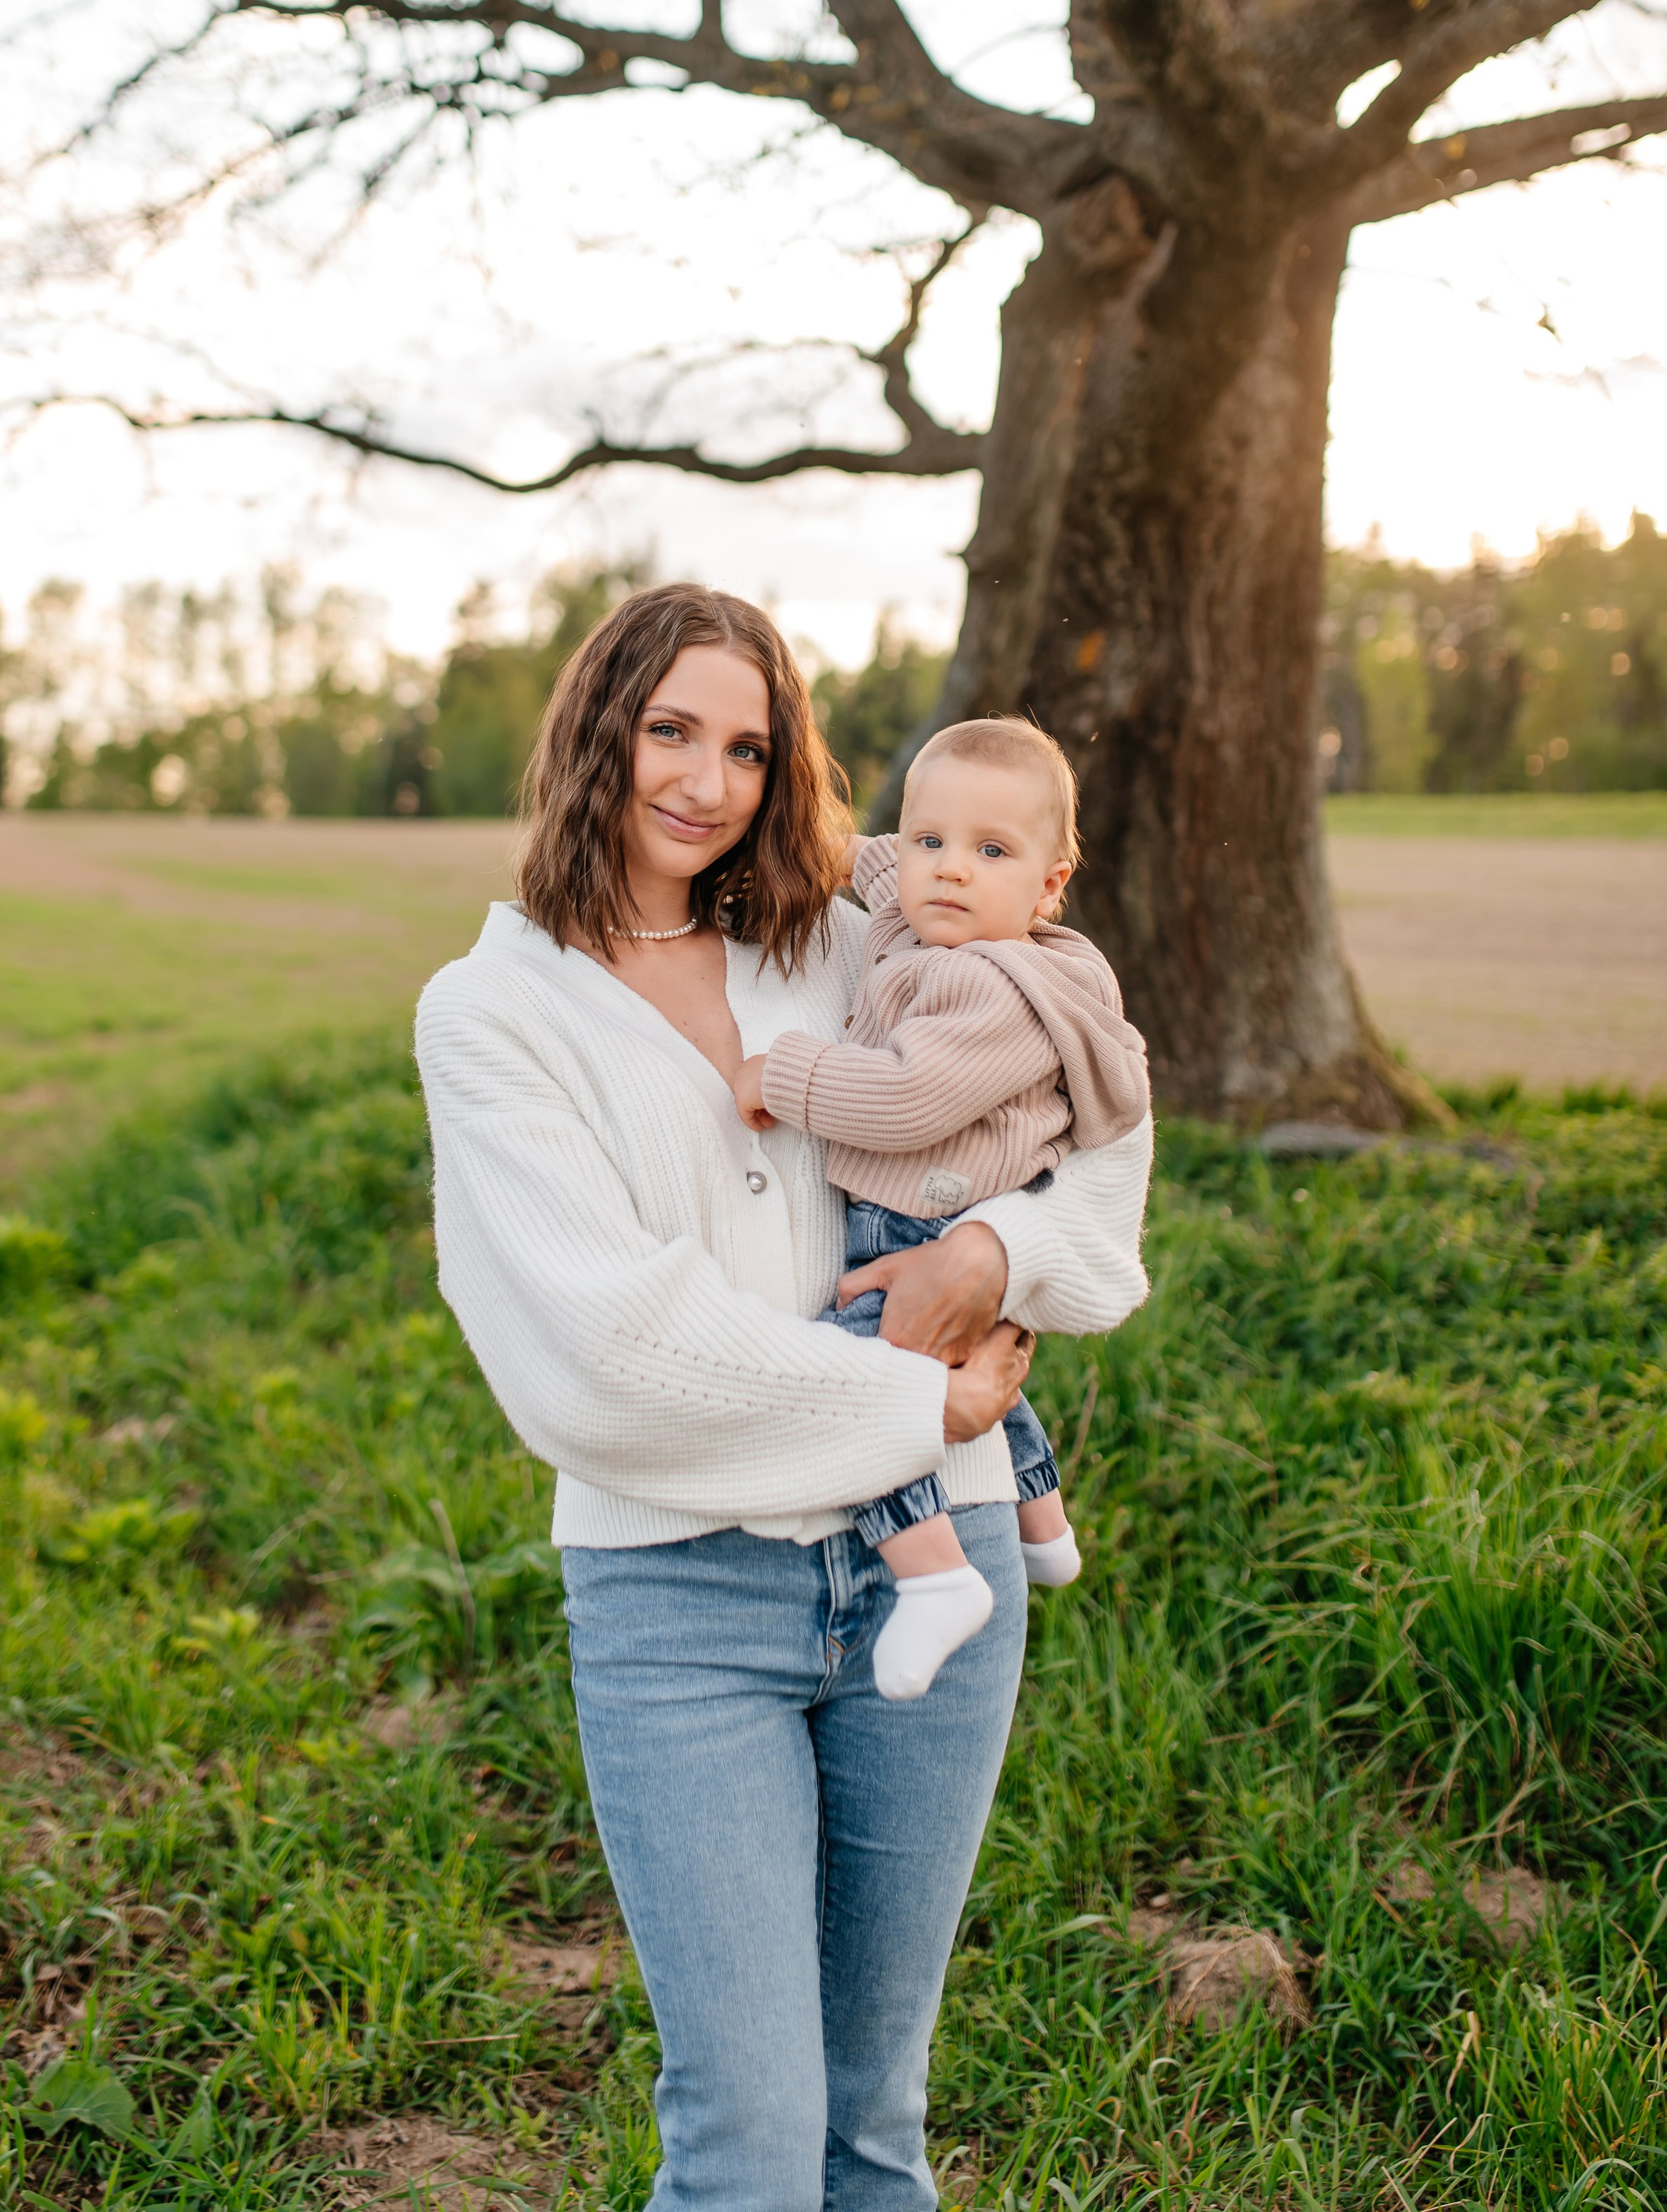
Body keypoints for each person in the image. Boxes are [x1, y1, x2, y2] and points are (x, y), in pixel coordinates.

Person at [415, 582, 1152, 2211]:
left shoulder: (850, 939)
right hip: (681, 1598)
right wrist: (922, 1414)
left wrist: (992, 1244)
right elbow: (606, 1357)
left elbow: (1098, 1182)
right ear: (593, 727)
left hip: (940, 1581)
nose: (704, 779)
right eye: (668, 729)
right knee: (746, 2137)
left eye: (748, 746)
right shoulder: (492, 1013)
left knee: (873, 2125)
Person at [731, 718, 1151, 1701]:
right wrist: (823, 852)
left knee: (868, 1380)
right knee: (984, 1378)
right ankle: (1044, 1528)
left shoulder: (987, 982)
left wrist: (786, 1076)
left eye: (991, 851)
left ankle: (934, 1577)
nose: (950, 872)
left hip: (924, 1220)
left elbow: (905, 1097)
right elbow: (879, 863)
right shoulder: (927, 909)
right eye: (933, 842)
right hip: (943, 1213)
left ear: (1051, 886)